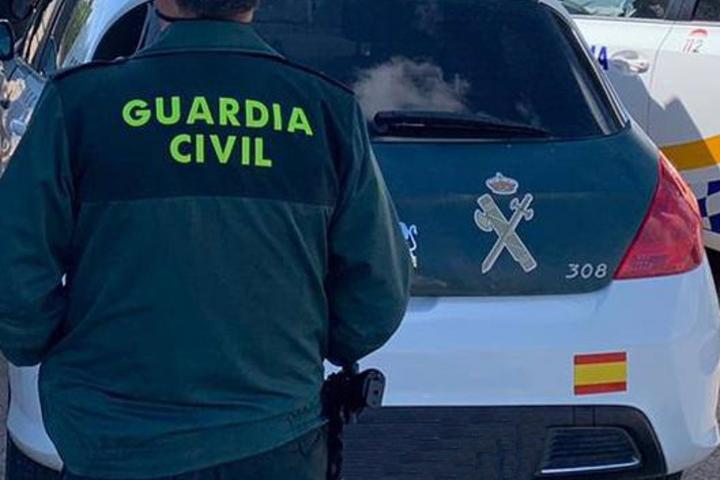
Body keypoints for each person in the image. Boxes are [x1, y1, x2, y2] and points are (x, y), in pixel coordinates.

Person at [0, 0, 412, 478]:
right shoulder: (326, 111)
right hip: (277, 444)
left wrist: (65, 350)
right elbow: (378, 297)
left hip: (116, 444)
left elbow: (14, 276)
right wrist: (295, 354)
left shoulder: (80, 104)